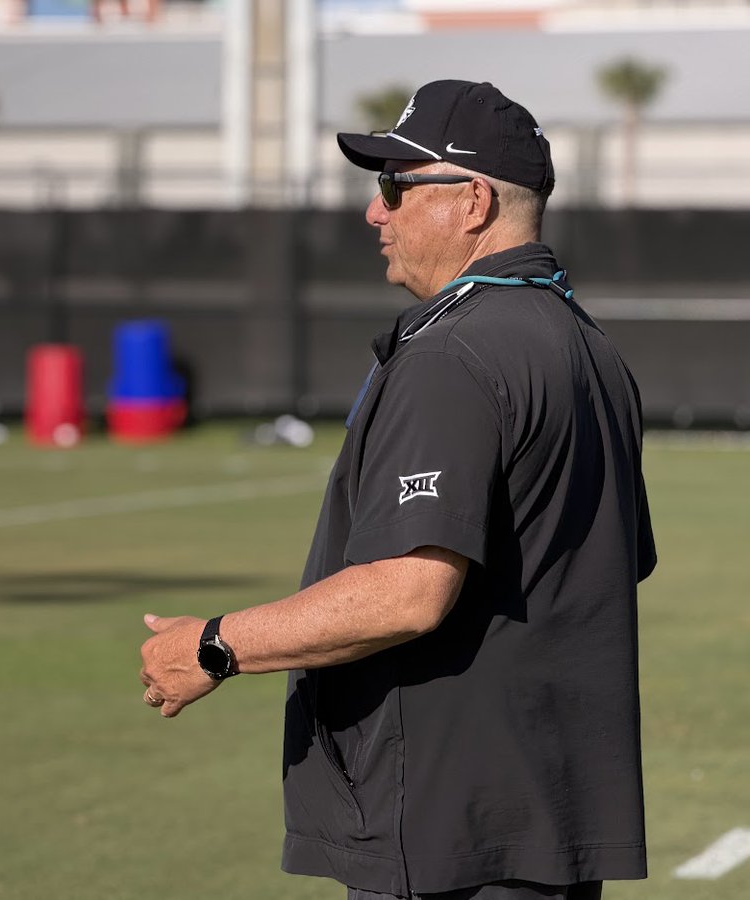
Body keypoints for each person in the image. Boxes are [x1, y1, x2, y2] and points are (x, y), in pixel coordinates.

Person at [139, 79, 656, 900]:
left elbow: (408, 592)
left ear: (472, 201)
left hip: (450, 835)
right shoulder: (591, 349)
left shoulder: (455, 354)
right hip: (547, 826)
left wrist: (214, 644)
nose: (374, 213)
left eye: (394, 186)